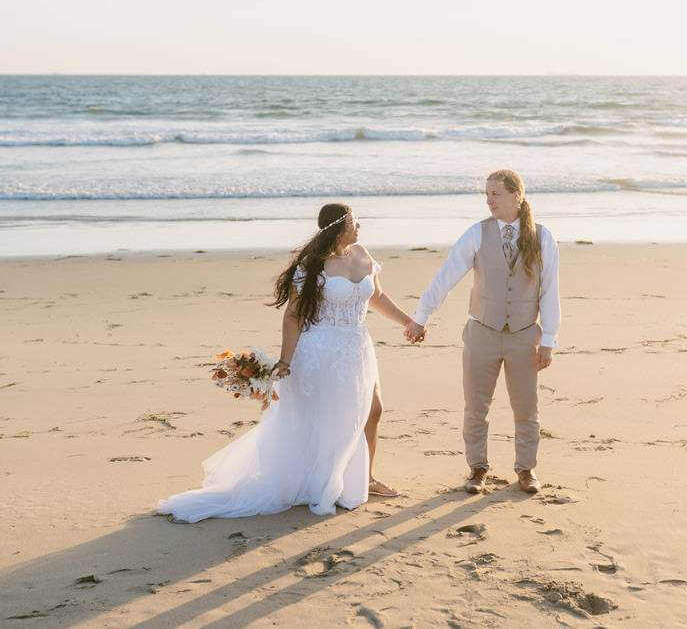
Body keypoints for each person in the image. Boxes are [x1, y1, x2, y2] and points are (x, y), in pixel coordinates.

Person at [158, 203, 414, 521]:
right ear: (338, 228)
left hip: (357, 347)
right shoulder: (312, 265)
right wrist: (285, 360)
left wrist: (408, 321)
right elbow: (293, 315)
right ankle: (319, 481)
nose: (359, 225)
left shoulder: (362, 253)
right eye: (353, 221)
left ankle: (367, 478)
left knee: (373, 410)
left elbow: (377, 297)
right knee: (327, 418)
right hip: (320, 351)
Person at [404, 170, 560, 495]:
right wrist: (421, 317)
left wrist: (548, 339)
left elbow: (549, 291)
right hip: (482, 333)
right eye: (486, 194)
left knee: (526, 408)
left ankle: (526, 469)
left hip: (523, 335)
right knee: (476, 407)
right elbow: (446, 276)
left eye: (495, 194)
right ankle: (477, 468)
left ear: (516, 196)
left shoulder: (543, 237)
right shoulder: (477, 233)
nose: (489, 201)